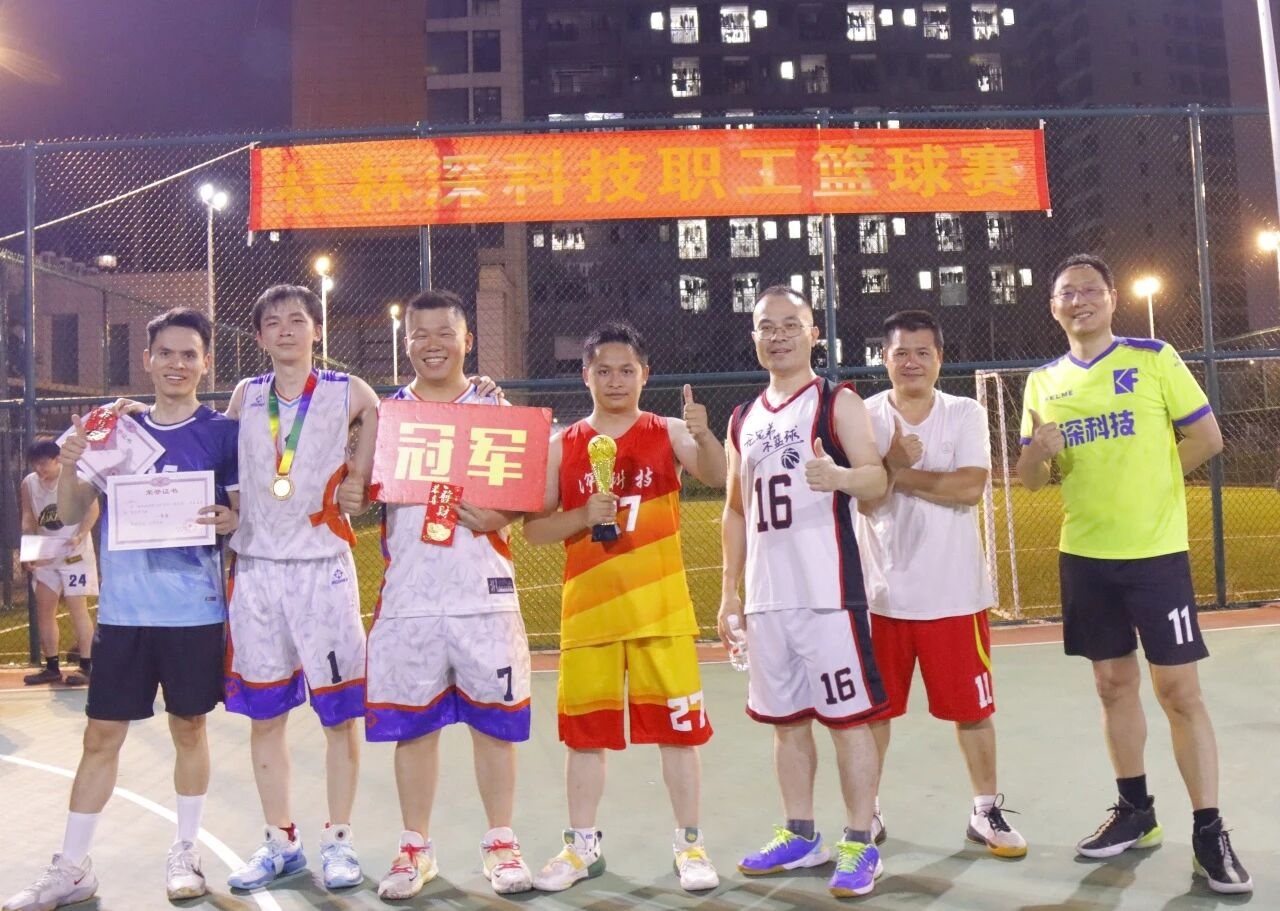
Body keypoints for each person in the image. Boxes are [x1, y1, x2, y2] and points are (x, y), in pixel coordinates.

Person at [1017, 253, 1250, 893]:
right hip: (1086, 556)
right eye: (1067, 293)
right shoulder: (1042, 382)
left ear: (1113, 298)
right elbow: (1031, 479)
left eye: (1090, 289)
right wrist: (1038, 455)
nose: (1079, 300)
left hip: (1155, 555)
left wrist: (1153, 486)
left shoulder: (1154, 358)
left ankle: (1209, 831)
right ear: (1053, 307)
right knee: (1113, 685)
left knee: (1179, 693)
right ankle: (1136, 811)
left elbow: (1207, 438)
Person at [2, 307, 239, 911]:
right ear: (147, 359)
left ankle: (185, 851)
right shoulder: (113, 430)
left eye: (189, 354)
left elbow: (244, 515)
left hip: (193, 611)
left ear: (205, 362)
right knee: (100, 736)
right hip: (124, 614)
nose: (177, 364)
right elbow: (72, 507)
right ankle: (72, 867)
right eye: (166, 353)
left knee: (190, 728)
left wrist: (231, 519)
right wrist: (74, 459)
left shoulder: (223, 433)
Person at [523, 321, 725, 893]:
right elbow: (535, 530)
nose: (616, 380)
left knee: (679, 734)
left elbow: (717, 475)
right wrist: (583, 516)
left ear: (645, 375)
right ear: (585, 376)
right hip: (590, 614)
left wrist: (705, 434)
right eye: (604, 370)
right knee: (585, 737)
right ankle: (581, 846)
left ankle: (690, 844)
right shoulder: (562, 444)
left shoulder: (669, 431)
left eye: (627, 370)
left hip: (661, 611)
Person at [362, 290, 534, 900]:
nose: (432, 345)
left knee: (494, 724)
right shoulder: (386, 416)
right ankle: (415, 847)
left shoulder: (493, 408)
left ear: (468, 340)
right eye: (420, 334)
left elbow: (528, 492)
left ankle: (501, 843)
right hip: (410, 593)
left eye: (444, 333)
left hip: (483, 590)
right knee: (413, 727)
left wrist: (503, 517)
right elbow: (358, 492)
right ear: (405, 341)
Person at [719, 285, 889, 898]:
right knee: (786, 723)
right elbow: (735, 509)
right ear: (754, 337)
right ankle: (799, 835)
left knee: (847, 721)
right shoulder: (743, 418)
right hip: (768, 599)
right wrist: (730, 592)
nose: (779, 336)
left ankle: (860, 841)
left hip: (828, 594)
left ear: (814, 333)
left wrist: (839, 475)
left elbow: (877, 480)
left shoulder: (836, 401)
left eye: (791, 324)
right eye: (767, 326)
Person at [221, 284, 379, 891]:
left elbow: (384, 417)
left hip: (323, 569)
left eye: (296, 319)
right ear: (260, 336)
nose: (285, 330)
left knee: (339, 715)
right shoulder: (245, 395)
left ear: (317, 329)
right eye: (272, 322)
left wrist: (361, 473)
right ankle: (280, 840)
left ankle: (338, 839)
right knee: (265, 715)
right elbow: (226, 465)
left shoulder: (349, 391)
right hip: (257, 570)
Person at [854, 309, 1027, 858]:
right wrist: (887, 470)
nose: (912, 362)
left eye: (922, 352)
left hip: (955, 594)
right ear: (884, 359)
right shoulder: (863, 416)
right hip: (881, 596)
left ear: (939, 359)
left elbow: (969, 488)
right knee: (874, 714)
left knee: (973, 711)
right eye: (901, 352)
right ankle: (865, 813)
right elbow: (864, 500)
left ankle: (985, 810)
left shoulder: (964, 412)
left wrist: (894, 471)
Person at [20, 439, 99, 686]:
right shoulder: (29, 483)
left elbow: (92, 510)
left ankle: (86, 666)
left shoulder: (77, 479)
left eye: (44, 463)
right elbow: (28, 516)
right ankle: (52, 666)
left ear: (57, 460)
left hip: (74, 554)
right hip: (47, 554)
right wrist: (28, 549)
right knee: (45, 608)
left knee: (77, 608)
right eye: (35, 464)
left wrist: (80, 535)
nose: (39, 469)